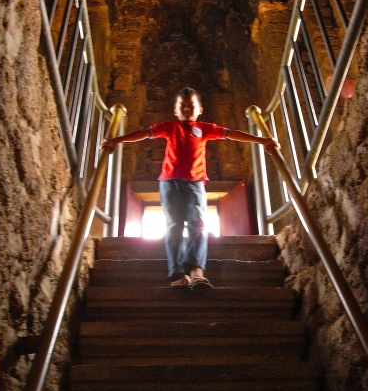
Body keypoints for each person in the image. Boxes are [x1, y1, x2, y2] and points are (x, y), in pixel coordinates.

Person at [101, 87, 278, 293]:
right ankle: (177, 273)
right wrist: (117, 140)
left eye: (191, 106)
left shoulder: (204, 128)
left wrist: (262, 141)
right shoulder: (169, 127)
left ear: (200, 109)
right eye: (182, 107)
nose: (186, 110)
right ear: (175, 110)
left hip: (195, 183)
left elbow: (231, 134)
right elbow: (143, 133)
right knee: (174, 225)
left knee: (198, 224)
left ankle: (196, 271)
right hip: (169, 182)